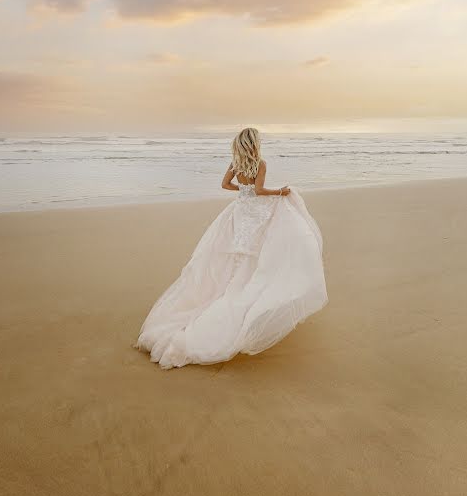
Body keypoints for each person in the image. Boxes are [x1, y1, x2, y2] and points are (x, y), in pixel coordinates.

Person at [133, 127, 328, 369]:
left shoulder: (235, 164)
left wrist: (241, 189)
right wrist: (280, 191)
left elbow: (225, 185)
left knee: (231, 254)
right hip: (254, 213)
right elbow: (259, 191)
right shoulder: (261, 163)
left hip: (239, 212)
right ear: (254, 143)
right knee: (254, 253)